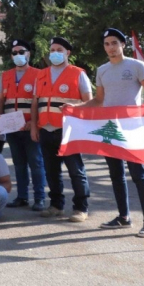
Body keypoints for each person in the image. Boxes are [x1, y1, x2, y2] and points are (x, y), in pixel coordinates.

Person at [77, 28, 144, 237]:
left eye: (114, 43)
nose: (111, 47)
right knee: (116, 175)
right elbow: (98, 100)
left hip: (133, 128)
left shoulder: (136, 66)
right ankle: (124, 217)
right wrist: (75, 108)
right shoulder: (102, 70)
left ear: (123, 44)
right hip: (110, 128)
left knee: (139, 175)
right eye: (107, 44)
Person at [31, 36, 93, 223]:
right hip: (46, 130)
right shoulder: (41, 75)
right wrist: (34, 126)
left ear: (68, 53)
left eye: (59, 50)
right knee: (51, 171)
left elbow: (89, 102)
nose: (55, 53)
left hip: (69, 131)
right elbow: (35, 103)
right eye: (52, 50)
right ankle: (56, 205)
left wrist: (75, 108)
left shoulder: (78, 74)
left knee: (76, 171)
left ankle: (81, 208)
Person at [0, 39, 46, 211]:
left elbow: (42, 101)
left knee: (36, 162)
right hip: (11, 127)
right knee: (18, 163)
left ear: (28, 54)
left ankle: (39, 198)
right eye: (14, 53)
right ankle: (22, 197)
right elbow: (0, 99)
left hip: (30, 127)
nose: (18, 55)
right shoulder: (6, 75)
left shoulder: (39, 74)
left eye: (21, 52)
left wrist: (34, 123)